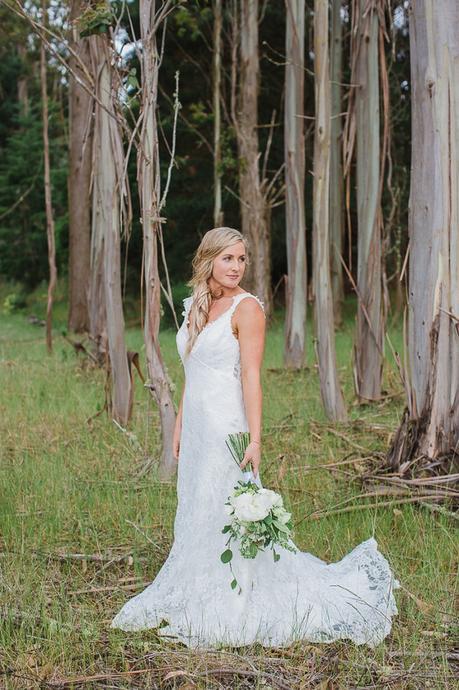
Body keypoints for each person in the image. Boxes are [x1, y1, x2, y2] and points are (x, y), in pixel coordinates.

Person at [110, 227, 400, 649]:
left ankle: (238, 596)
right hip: (197, 430)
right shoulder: (196, 305)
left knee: (230, 510)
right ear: (208, 259)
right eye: (228, 258)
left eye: (242, 259)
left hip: (229, 427)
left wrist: (255, 439)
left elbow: (250, 376)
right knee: (199, 507)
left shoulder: (248, 309)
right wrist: (178, 426)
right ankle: (198, 582)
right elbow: (191, 371)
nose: (236, 267)